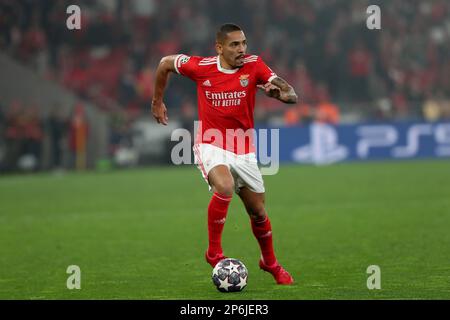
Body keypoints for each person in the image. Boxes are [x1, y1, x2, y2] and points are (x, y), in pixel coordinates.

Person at [151, 23, 298, 285]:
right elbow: (164, 63)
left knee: (259, 213)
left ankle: (270, 263)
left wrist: (279, 95)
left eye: (244, 43)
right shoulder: (201, 67)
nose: (242, 49)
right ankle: (213, 252)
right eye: (234, 44)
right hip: (212, 143)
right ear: (219, 47)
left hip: (244, 148)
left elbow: (290, 93)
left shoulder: (254, 65)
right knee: (225, 185)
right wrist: (157, 101)